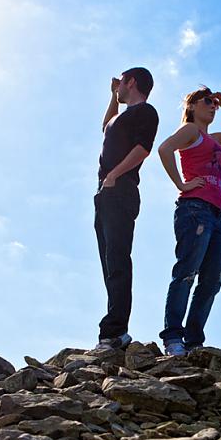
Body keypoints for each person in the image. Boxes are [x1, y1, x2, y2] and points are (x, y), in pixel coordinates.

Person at [157, 86, 221, 356]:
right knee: (187, 271)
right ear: (192, 106)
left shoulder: (216, 139)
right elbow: (164, 149)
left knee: (212, 281)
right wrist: (181, 184)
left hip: (218, 215)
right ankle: (174, 338)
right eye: (207, 102)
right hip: (195, 209)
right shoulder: (191, 131)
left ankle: (194, 341)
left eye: (214, 103)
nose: (213, 106)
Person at [94, 67, 159, 350]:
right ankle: (113, 328)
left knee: (118, 260)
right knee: (109, 262)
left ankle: (115, 332)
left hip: (120, 190)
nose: (117, 85)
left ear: (131, 82)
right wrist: (112, 96)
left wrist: (115, 175)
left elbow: (143, 148)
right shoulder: (121, 117)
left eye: (120, 81)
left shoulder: (146, 112)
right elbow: (107, 126)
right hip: (105, 193)